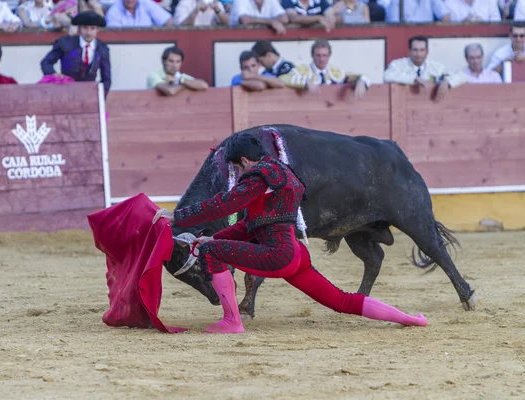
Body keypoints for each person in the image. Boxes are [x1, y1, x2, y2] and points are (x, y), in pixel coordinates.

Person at [153, 133, 428, 333]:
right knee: (341, 300)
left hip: (275, 255)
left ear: (246, 161)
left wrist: (178, 215)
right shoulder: (283, 172)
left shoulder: (257, 177)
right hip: (296, 256)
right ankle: (409, 319)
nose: (237, 172)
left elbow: (226, 204)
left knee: (210, 253)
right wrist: (217, 237)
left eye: (237, 167)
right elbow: (250, 225)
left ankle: (231, 321)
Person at [40, 11, 111, 97]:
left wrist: (100, 98)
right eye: (85, 28)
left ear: (97, 29)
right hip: (65, 92)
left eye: (92, 28)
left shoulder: (102, 49)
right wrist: (54, 75)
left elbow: (106, 79)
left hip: (88, 94)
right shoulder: (66, 43)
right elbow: (46, 63)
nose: (88, 33)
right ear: (80, 28)